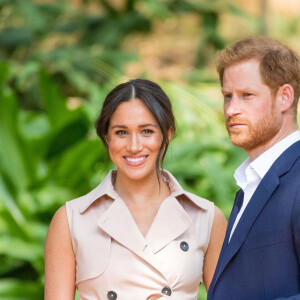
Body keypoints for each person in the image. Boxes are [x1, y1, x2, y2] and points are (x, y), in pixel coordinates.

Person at [44, 79, 227, 300]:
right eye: (121, 132)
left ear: (168, 134)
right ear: (106, 137)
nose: (133, 146)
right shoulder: (70, 220)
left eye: (147, 131)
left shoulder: (206, 218)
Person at [207, 36, 300, 300]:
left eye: (247, 95)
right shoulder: (252, 182)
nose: (232, 109)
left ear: (284, 98)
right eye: (227, 96)